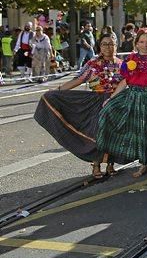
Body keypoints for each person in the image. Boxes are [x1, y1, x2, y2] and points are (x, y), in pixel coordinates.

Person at [35, 33, 123, 178]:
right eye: (105, 44)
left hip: (115, 102)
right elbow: (78, 80)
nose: (108, 47)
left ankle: (111, 164)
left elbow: (128, 82)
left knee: (114, 133)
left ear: (116, 46)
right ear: (99, 47)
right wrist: (57, 91)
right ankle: (96, 164)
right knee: (97, 132)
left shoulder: (122, 64)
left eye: (112, 44)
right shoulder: (92, 64)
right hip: (96, 102)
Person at [96, 28, 147, 178]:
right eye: (142, 42)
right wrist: (111, 99)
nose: (145, 45)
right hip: (135, 99)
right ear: (136, 44)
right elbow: (125, 81)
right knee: (139, 133)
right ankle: (143, 164)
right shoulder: (130, 60)